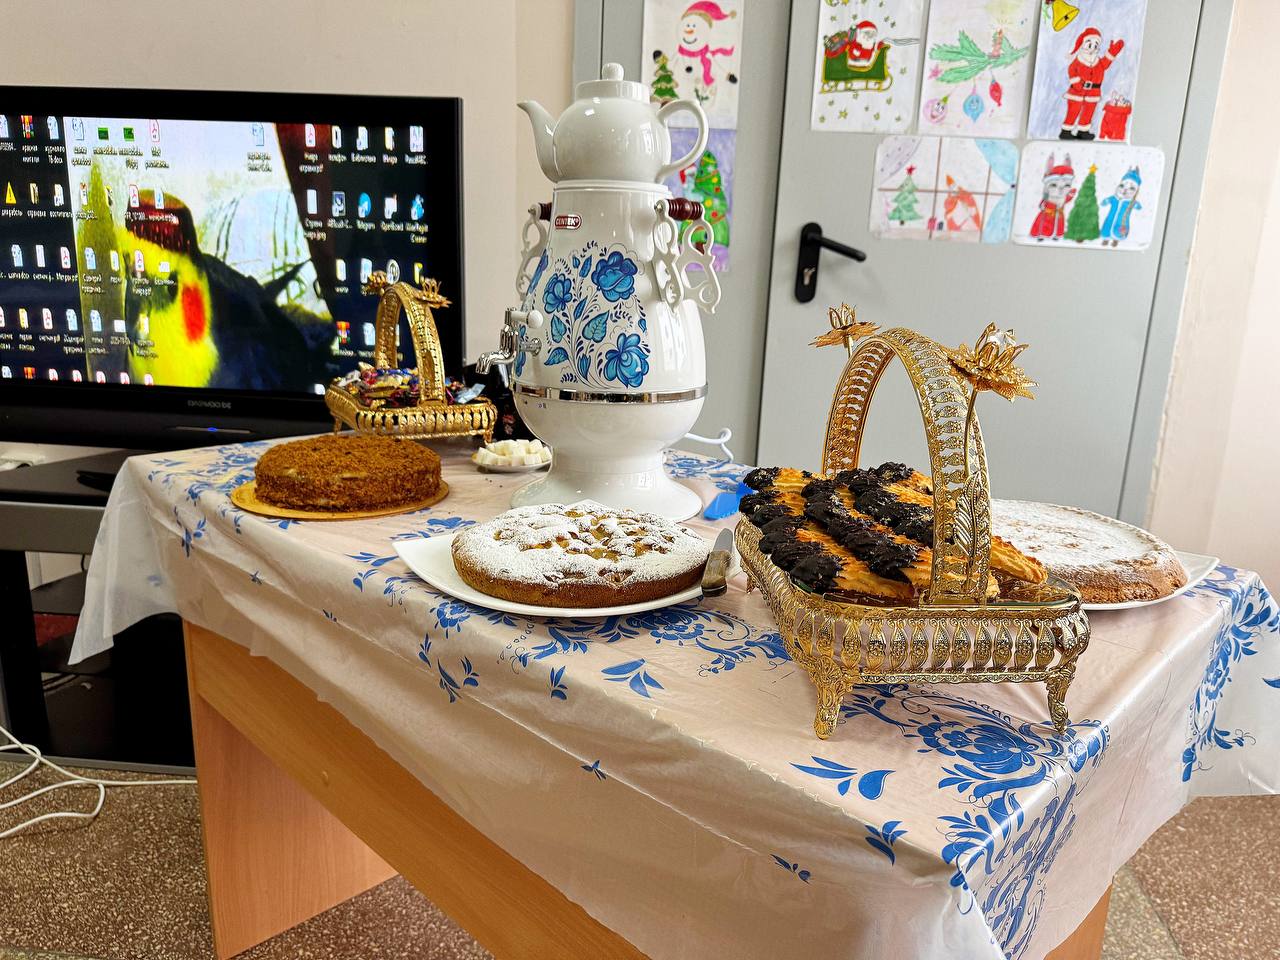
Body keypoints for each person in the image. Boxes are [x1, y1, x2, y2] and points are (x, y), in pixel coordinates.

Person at [1059, 27, 1125, 140]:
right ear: (1083, 44)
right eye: (1089, 44)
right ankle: (1066, 131)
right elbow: (1072, 70)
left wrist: (1112, 52)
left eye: (1095, 45)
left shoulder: (1098, 62)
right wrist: (1077, 83)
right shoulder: (1078, 60)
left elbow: (1105, 63)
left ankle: (1083, 131)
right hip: (1077, 92)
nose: (1092, 48)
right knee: (1073, 111)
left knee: (1088, 112)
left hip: (1093, 92)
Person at [1030, 154, 1076, 241]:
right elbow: (1043, 202)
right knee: (1044, 225)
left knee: (1058, 225)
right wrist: (1044, 205)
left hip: (1059, 215)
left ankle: (1056, 235)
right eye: (1054, 185)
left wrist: (1070, 195)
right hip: (1048, 214)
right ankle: (1042, 235)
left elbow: (1066, 200)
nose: (1060, 190)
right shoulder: (1048, 196)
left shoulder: (1063, 198)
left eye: (1066, 185)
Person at [1099, 167, 1142, 246]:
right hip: (1110, 218)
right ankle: (1106, 239)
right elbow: (1106, 201)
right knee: (1107, 226)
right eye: (1122, 186)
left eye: (1131, 188)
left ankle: (1116, 240)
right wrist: (1106, 201)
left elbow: (1138, 207)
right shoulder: (1115, 198)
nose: (1125, 190)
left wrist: (1137, 205)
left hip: (1122, 221)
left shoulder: (1130, 202)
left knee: (1119, 230)